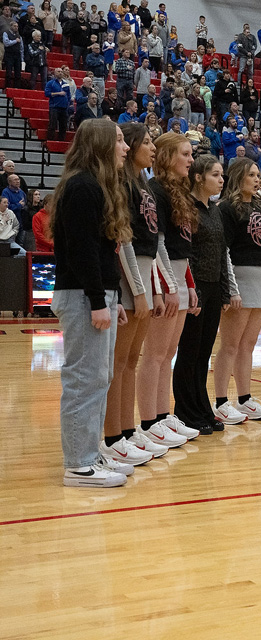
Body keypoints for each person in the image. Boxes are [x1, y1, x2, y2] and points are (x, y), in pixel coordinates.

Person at [50, 119, 134, 487]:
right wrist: (99, 299)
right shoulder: (82, 187)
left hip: (96, 296)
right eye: (119, 140)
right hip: (82, 296)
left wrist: (112, 298)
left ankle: (90, 452)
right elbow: (81, 251)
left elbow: (101, 253)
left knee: (99, 378)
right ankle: (79, 464)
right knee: (84, 379)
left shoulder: (95, 186)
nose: (125, 148)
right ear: (100, 144)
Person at [101, 124, 171, 468]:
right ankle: (112, 437)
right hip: (128, 278)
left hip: (144, 274)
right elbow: (124, 241)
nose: (151, 148)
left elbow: (154, 244)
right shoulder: (121, 183)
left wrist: (156, 288)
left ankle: (127, 431)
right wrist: (140, 291)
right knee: (118, 362)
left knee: (131, 359)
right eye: (146, 142)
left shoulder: (143, 184)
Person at [134, 132, 197, 452]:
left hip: (179, 275)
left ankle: (162, 414)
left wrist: (189, 285)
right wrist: (168, 286)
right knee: (155, 354)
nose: (191, 160)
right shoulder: (155, 190)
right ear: (168, 156)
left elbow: (183, 247)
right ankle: (149, 422)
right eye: (185, 154)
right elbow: (158, 245)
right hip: (164, 275)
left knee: (168, 354)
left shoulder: (181, 191)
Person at [215, 158, 261, 423]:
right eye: (251, 175)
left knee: (248, 344)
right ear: (238, 176)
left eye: (258, 175)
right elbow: (224, 251)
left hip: (258, 278)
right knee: (230, 345)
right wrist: (232, 289)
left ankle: (244, 399)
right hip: (238, 278)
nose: (257, 179)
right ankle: (221, 402)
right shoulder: (226, 208)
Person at [172, 155, 234, 433]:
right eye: (215, 175)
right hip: (194, 290)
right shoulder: (187, 207)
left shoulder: (215, 210)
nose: (221, 180)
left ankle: (201, 408)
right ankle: (185, 411)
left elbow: (221, 252)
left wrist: (225, 291)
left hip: (213, 288)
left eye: (222, 175)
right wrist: (192, 289)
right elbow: (188, 253)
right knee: (189, 352)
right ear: (198, 177)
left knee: (204, 353)